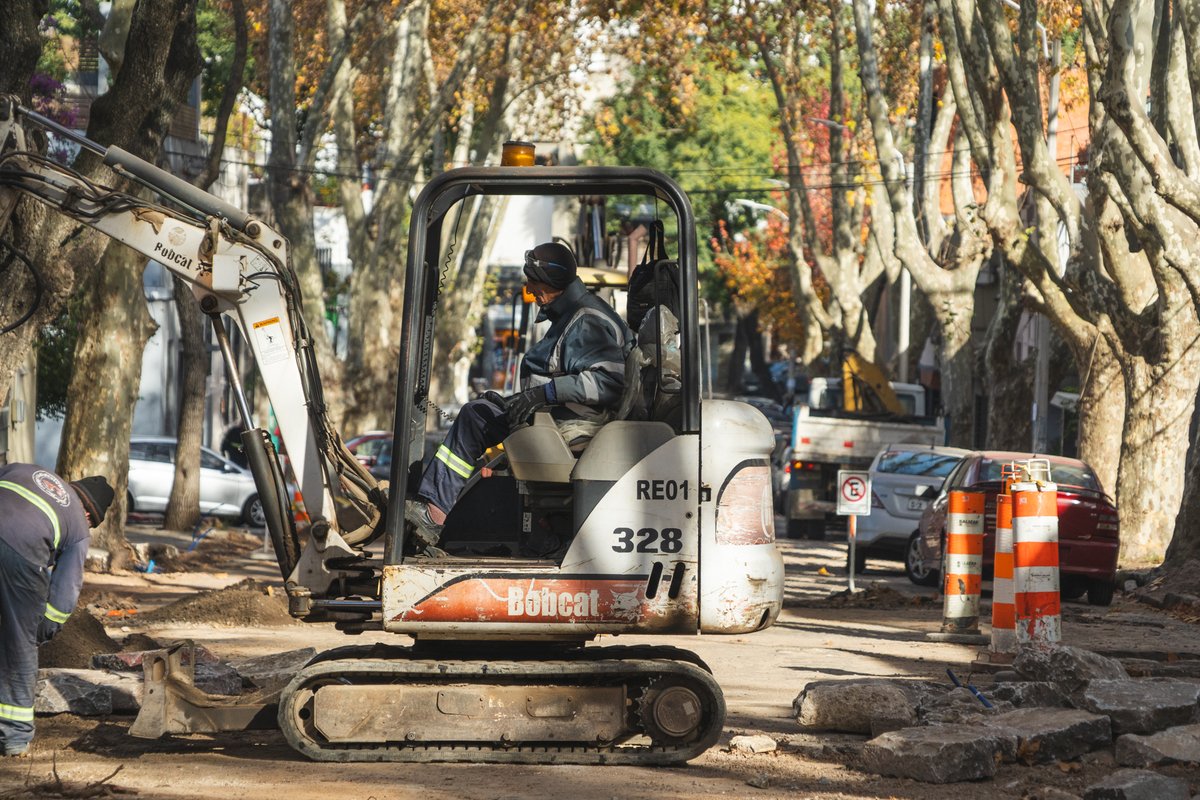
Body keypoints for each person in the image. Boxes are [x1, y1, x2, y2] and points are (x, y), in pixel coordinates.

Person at [406, 242, 632, 553]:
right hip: (556, 418)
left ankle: (432, 513)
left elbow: (608, 382)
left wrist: (543, 393)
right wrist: (516, 400)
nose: (529, 289)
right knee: (483, 411)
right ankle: (435, 509)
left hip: (572, 426)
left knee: (474, 417)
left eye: (533, 282)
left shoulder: (587, 321)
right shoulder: (573, 316)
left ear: (550, 283)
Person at [0, 465, 114, 756]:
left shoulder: (27, 470)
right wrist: (42, 628)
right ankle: (14, 736)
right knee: (19, 642)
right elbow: (64, 593)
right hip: (21, 551)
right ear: (91, 515)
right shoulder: (78, 525)